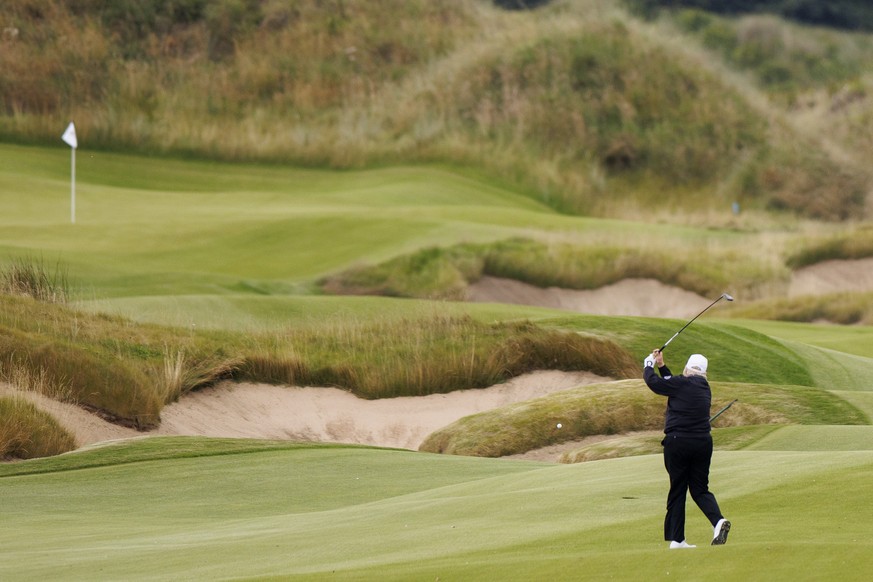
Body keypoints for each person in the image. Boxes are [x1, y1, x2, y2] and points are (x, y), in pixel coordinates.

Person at [643, 348, 730, 549]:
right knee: (700, 489)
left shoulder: (681, 383)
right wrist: (662, 366)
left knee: (678, 489)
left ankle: (678, 540)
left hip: (678, 442)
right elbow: (672, 383)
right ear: (703, 373)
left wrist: (649, 365)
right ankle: (717, 522)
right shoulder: (704, 387)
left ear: (687, 369)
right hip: (702, 443)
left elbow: (655, 384)